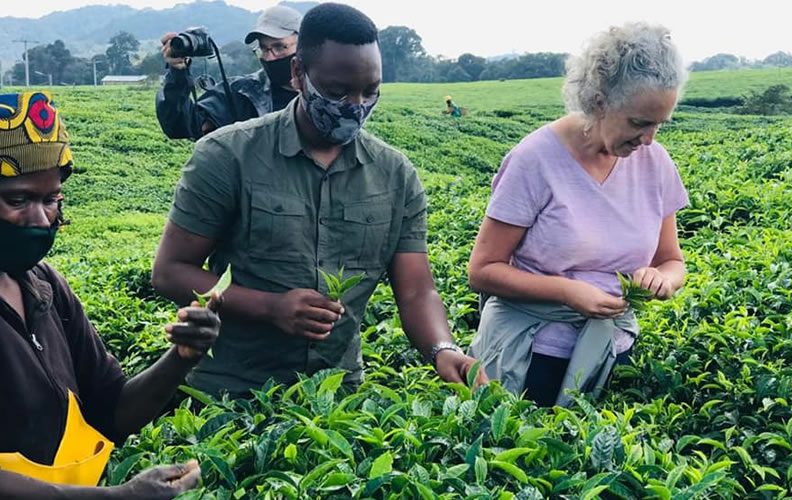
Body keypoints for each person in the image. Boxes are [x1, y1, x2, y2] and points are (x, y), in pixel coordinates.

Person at [151, 3, 485, 398]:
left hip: (336, 396)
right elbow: (170, 271)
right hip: (230, 393)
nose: (355, 105)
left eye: (369, 91)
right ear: (298, 74)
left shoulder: (395, 175)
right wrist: (269, 307)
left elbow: (416, 291)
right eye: (337, 91)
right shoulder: (227, 155)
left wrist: (443, 349)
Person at [0, 91, 221, 497]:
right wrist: (115, 498)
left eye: (51, 200)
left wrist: (181, 358)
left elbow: (111, 410)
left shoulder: (44, 286)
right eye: (17, 200)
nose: (39, 219)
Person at [467, 23, 689, 407]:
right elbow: (482, 270)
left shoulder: (656, 163)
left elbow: (671, 260)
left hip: (612, 350)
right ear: (600, 102)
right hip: (531, 354)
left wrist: (663, 280)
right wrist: (567, 292)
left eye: (658, 125)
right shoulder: (534, 160)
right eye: (638, 123)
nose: (649, 139)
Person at [156, 5, 303, 139]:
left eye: (279, 47)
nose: (270, 57)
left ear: (304, 45)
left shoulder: (323, 91)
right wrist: (177, 74)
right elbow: (182, 125)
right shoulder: (243, 93)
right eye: (264, 49)